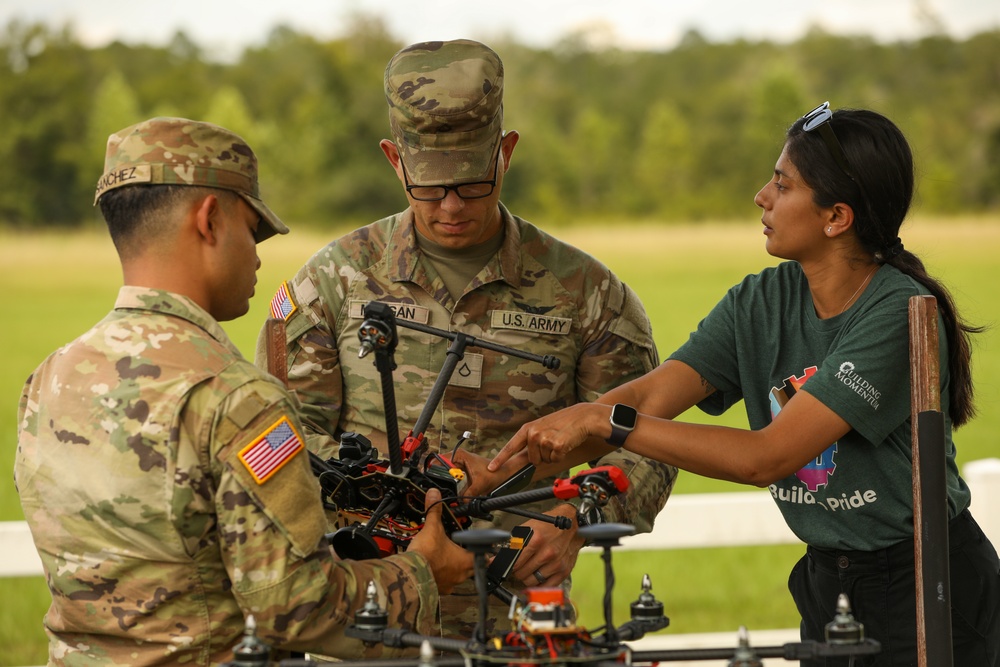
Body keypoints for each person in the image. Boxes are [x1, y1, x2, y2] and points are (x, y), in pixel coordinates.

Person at [488, 102, 1000, 666]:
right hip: (829, 580)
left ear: (837, 217)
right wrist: (495, 470)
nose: (761, 196)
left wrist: (604, 421)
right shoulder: (760, 302)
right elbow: (647, 398)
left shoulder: (897, 313)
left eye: (783, 185)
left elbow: (766, 458)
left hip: (928, 584)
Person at [14, 117, 473, 666]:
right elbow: (296, 607)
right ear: (209, 220)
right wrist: (423, 573)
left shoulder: (50, 377)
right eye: (252, 231)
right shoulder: (237, 398)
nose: (257, 256)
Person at [256, 39, 677, 636]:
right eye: (428, 186)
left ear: (506, 154)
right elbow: (282, 440)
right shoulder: (331, 283)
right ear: (392, 161)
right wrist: (402, 488)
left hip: (520, 622)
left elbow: (647, 440)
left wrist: (578, 517)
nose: (451, 206)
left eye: (472, 183)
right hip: (365, 621)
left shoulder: (588, 292)